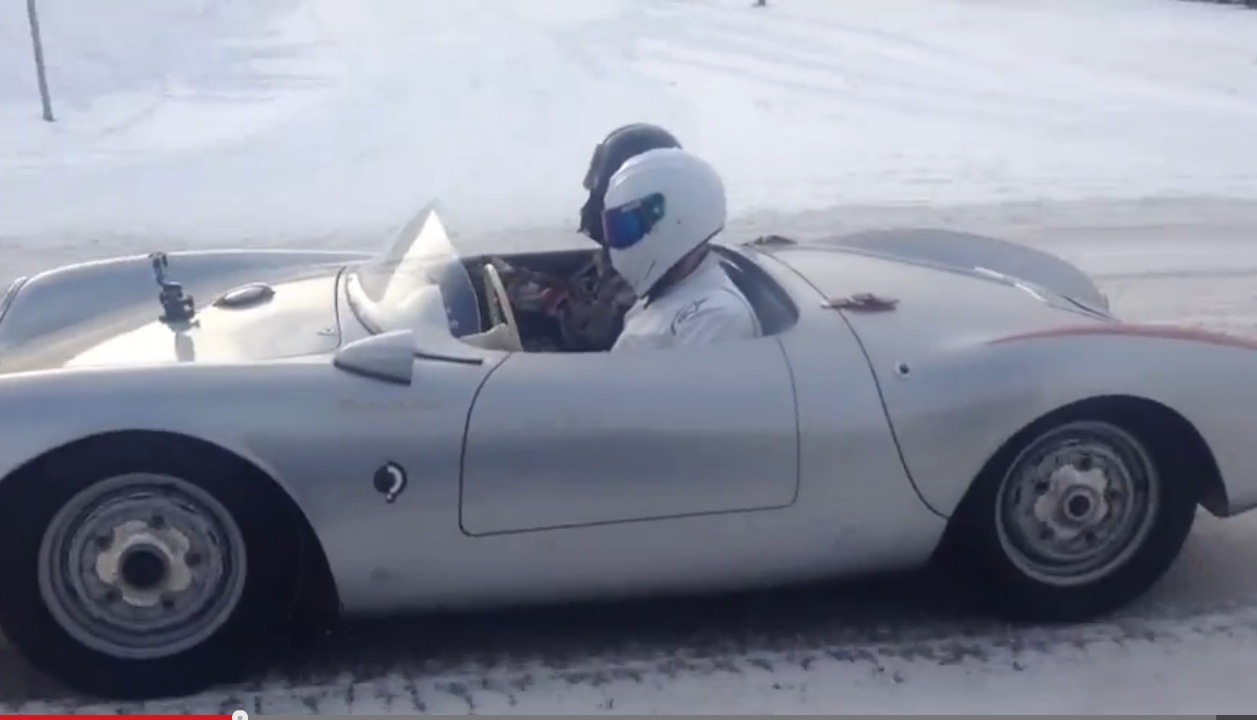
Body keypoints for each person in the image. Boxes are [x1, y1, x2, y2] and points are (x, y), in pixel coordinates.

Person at [600, 147, 762, 350]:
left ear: (677, 219)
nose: (615, 241)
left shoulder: (717, 317)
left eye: (626, 226)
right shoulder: (663, 293)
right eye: (615, 228)